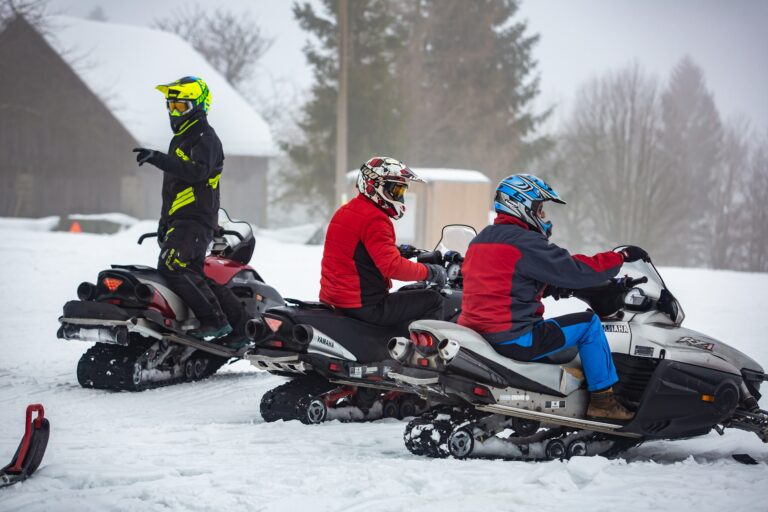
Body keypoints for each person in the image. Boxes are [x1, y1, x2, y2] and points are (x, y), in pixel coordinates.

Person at [458, 174, 649, 421]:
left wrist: (549, 287)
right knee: (589, 325)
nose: (543, 216)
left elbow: (504, 281)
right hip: (513, 339)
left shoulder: (481, 240)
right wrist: (620, 257)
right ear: (522, 205)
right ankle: (603, 402)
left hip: (478, 334)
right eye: (539, 208)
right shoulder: (524, 241)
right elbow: (575, 270)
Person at [132, 76, 232, 341]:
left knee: (172, 264)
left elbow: (197, 172)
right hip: (181, 219)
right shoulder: (181, 138)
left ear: (198, 106)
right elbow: (173, 191)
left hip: (196, 219)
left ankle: (215, 321)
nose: (175, 112)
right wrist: (164, 222)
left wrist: (159, 159)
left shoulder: (205, 138)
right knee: (191, 272)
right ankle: (227, 323)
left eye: (181, 106)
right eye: (171, 106)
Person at [319, 157, 447, 329]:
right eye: (395, 190)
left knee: (407, 296)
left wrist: (396, 251)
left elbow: (356, 252)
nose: (399, 196)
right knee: (433, 300)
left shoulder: (345, 211)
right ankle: (419, 347)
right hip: (365, 306)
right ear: (375, 185)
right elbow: (392, 267)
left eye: (402, 191)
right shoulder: (375, 218)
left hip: (336, 300)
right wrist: (430, 272)